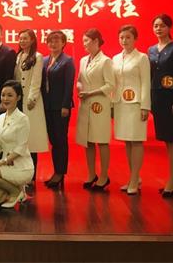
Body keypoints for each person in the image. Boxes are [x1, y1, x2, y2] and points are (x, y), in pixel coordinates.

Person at [148, 14, 173, 198]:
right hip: (157, 98)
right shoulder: (151, 50)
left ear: (169, 28)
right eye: (156, 26)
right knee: (166, 138)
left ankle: (171, 181)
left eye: (162, 26)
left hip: (172, 98)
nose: (159, 29)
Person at [111, 25, 150, 195]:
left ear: (135, 39)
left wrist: (145, 106)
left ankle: (134, 179)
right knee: (127, 141)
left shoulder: (142, 58)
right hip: (120, 104)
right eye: (121, 37)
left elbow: (146, 83)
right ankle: (134, 177)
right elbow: (113, 83)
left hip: (135, 104)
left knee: (136, 141)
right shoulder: (115, 58)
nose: (124, 40)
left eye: (128, 37)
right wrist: (112, 104)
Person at [0, 80, 33, 208]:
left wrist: (1, 162)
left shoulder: (23, 119)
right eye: (3, 95)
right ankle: (17, 189)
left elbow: (21, 148)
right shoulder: (0, 118)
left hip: (21, 167)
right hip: (6, 165)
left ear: (18, 97)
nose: (5, 98)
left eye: (10, 95)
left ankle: (16, 192)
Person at [76, 29, 115, 192]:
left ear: (96, 41)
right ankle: (91, 174)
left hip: (100, 105)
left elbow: (110, 85)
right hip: (85, 104)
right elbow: (79, 80)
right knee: (88, 141)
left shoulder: (106, 61)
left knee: (102, 141)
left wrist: (91, 93)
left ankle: (104, 176)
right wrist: (79, 87)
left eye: (86, 41)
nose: (84, 44)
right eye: (83, 41)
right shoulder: (83, 60)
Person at [41, 30, 75, 189]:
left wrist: (65, 105)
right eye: (50, 41)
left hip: (60, 107)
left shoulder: (67, 61)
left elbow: (69, 85)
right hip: (47, 106)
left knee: (60, 140)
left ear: (63, 43)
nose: (53, 44)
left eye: (56, 41)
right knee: (53, 140)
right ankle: (56, 171)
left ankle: (60, 173)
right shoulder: (44, 60)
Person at [14, 29, 48, 183]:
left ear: (32, 40)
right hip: (18, 101)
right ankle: (20, 172)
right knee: (19, 138)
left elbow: (36, 80)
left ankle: (31, 176)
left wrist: (32, 98)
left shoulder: (37, 57)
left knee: (31, 140)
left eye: (25, 38)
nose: (22, 41)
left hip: (30, 102)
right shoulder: (18, 56)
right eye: (20, 38)